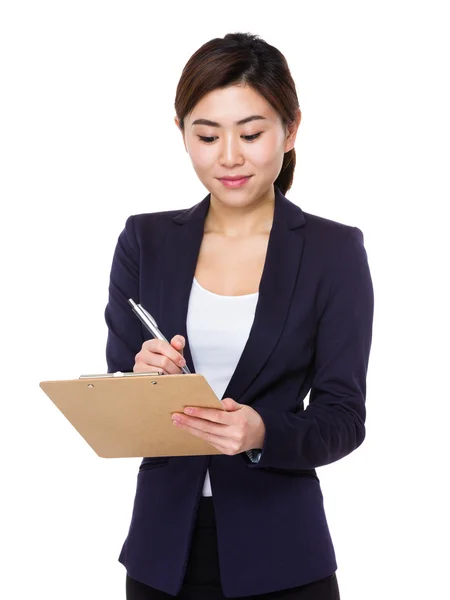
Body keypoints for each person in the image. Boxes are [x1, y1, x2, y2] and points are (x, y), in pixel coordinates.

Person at [104, 32, 374, 600]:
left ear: (291, 129)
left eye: (251, 134)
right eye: (206, 135)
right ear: (182, 133)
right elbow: (119, 396)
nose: (229, 156)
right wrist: (142, 381)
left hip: (283, 556)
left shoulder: (333, 251)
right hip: (161, 556)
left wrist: (262, 432)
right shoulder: (145, 240)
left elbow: (344, 417)